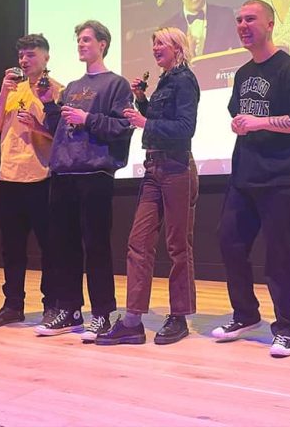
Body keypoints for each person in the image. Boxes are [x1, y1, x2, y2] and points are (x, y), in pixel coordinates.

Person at [211, 0, 290, 358]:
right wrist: (241, 122)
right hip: (244, 176)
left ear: (270, 24)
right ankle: (245, 315)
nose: (242, 25)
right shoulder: (241, 74)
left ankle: (286, 328)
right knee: (229, 243)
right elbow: (237, 114)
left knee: (280, 256)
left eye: (250, 19)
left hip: (280, 178)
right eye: (238, 19)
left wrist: (258, 122)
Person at [96, 27, 201, 346]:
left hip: (177, 166)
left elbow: (185, 128)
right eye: (153, 43)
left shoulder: (185, 80)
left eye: (161, 43)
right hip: (154, 167)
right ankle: (132, 320)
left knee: (177, 245)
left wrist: (145, 122)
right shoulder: (166, 80)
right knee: (138, 242)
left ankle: (179, 316)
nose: (155, 48)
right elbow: (160, 124)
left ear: (177, 47)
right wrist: (142, 102)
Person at [35, 20, 134, 340]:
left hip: (95, 173)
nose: (81, 44)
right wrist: (50, 104)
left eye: (87, 39)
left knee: (96, 247)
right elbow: (58, 130)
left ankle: (103, 313)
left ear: (103, 44)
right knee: (63, 246)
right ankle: (70, 309)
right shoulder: (73, 87)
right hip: (63, 172)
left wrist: (87, 118)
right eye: (78, 40)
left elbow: (123, 126)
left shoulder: (116, 84)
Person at [0, 34, 64, 330]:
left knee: (49, 247)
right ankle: (12, 305)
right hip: (9, 177)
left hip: (42, 176)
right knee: (11, 248)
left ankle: (51, 304)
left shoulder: (57, 91)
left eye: (31, 55)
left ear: (46, 57)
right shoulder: (12, 90)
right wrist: (3, 93)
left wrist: (38, 127)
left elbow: (63, 136)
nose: (25, 60)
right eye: (22, 56)